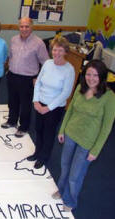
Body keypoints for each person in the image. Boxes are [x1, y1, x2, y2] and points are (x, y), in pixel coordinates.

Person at [52, 60, 115, 212]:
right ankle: (61, 190)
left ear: (102, 77)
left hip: (87, 142)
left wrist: (96, 150)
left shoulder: (109, 96)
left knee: (75, 175)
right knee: (65, 166)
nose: (91, 78)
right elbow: (71, 110)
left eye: (95, 75)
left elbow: (107, 127)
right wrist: (62, 130)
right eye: (88, 74)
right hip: (71, 134)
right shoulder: (80, 87)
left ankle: (70, 200)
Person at [27, 36, 75, 169]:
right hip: (40, 103)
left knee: (49, 133)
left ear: (66, 52)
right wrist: (36, 101)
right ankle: (37, 152)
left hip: (54, 108)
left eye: (60, 50)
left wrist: (48, 108)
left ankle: (44, 157)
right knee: (38, 129)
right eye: (54, 50)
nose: (57, 53)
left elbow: (65, 93)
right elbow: (38, 83)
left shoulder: (69, 70)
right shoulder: (47, 63)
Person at [1, 17, 49, 137]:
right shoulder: (13, 40)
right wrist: (8, 70)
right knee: (12, 101)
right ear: (19, 27)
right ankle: (12, 121)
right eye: (22, 26)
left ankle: (24, 127)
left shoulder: (39, 43)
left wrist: (38, 77)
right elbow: (11, 56)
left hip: (28, 79)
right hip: (12, 76)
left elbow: (46, 63)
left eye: (27, 26)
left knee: (25, 105)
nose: (24, 29)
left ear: (31, 27)